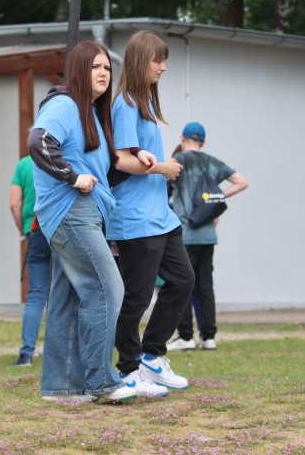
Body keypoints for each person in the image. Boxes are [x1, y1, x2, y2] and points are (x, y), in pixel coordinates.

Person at [26, 40, 135, 403]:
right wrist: (72, 177)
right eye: (95, 67)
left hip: (83, 212)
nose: (104, 73)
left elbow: (100, 172)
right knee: (108, 288)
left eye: (107, 67)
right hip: (71, 211)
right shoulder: (65, 105)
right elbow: (39, 142)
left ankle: (63, 387)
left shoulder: (89, 114)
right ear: (78, 71)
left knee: (69, 299)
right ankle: (102, 382)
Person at [109, 31, 193, 397]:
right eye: (158, 60)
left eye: (164, 60)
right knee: (137, 296)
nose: (163, 67)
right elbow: (119, 158)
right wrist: (162, 168)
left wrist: (160, 168)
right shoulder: (125, 103)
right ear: (140, 61)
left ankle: (151, 356)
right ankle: (127, 368)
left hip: (161, 216)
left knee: (183, 280)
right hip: (135, 218)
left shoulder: (141, 104)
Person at [166, 122, 248, 352]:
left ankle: (185, 336)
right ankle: (208, 337)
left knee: (182, 285)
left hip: (184, 233)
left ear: (182, 138)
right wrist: (216, 197)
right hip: (208, 234)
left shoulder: (179, 160)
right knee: (205, 285)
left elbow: (160, 185)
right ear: (203, 141)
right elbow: (242, 182)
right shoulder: (213, 162)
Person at [10, 154, 50, 367]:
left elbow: (14, 204)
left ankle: (26, 354)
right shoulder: (60, 157)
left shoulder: (24, 164)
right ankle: (54, 349)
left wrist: (23, 230)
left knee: (35, 294)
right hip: (59, 227)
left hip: (34, 230)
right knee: (60, 292)